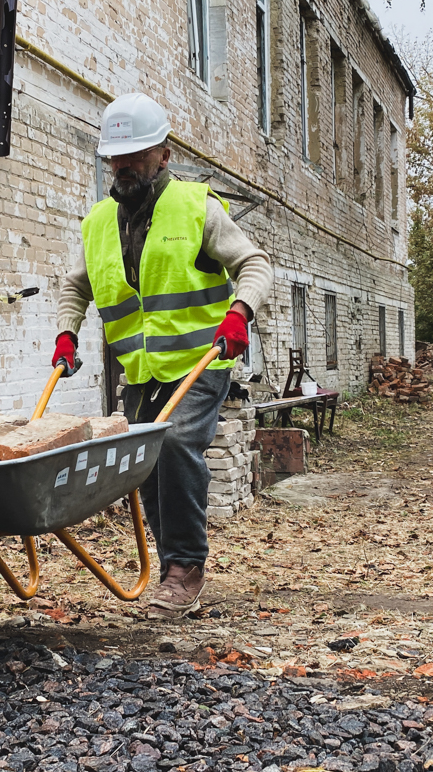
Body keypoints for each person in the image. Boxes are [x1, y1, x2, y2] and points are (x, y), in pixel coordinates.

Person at [53, 92, 273, 618]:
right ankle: (171, 557)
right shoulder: (99, 222)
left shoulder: (198, 207)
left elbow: (255, 263)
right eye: (116, 158)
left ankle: (184, 566)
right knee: (142, 464)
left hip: (201, 360)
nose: (124, 166)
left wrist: (240, 313)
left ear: (164, 153)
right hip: (142, 371)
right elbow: (74, 287)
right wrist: (66, 333)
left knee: (174, 445)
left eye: (136, 155)